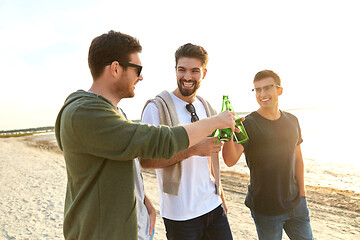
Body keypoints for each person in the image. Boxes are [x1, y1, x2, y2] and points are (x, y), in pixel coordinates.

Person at [54, 31, 237, 240]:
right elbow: (158, 142)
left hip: (137, 227)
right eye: (137, 69)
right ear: (115, 68)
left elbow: (123, 163)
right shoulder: (86, 113)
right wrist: (213, 123)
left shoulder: (111, 112)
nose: (140, 77)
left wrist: (142, 200)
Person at [141, 43, 233, 240]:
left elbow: (212, 162)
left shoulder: (207, 107)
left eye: (194, 71)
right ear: (175, 70)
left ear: (204, 73)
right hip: (180, 215)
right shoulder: (156, 109)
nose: (187, 77)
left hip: (213, 206)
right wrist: (193, 150)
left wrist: (221, 197)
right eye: (182, 70)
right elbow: (145, 161)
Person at [222, 70, 314, 240]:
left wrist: (302, 193)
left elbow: (298, 159)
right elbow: (229, 160)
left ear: (279, 90)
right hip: (266, 209)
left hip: (297, 204)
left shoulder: (292, 120)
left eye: (267, 88)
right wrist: (227, 132)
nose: (262, 94)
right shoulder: (249, 124)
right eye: (257, 90)